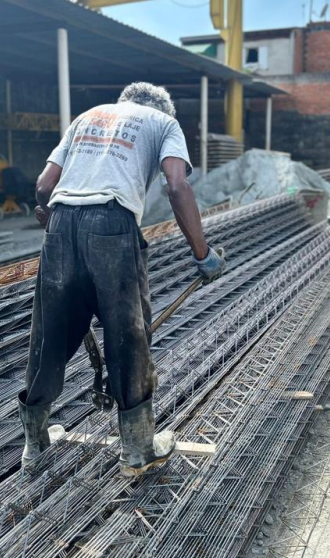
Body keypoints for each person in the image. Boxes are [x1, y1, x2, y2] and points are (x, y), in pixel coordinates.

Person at [18, 81, 225, 476]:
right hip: (112, 224)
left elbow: (44, 186)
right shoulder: (164, 124)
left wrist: (48, 216)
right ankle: (138, 449)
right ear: (164, 109)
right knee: (128, 335)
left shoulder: (86, 118)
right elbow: (176, 185)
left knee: (49, 335)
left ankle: (34, 444)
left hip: (61, 225)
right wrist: (203, 254)